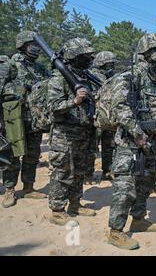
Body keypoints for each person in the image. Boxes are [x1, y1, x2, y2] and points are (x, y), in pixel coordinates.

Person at [107, 33, 156, 250]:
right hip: (131, 144)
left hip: (153, 143)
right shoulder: (130, 77)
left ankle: (138, 219)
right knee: (125, 187)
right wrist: (138, 135)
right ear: (146, 53)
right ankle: (116, 231)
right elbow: (120, 108)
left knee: (146, 183)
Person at [47, 38, 98, 225]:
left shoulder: (85, 76)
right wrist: (74, 102)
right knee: (62, 170)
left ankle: (75, 203)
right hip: (64, 134)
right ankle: (57, 209)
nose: (88, 60)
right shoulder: (58, 78)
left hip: (84, 131)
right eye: (84, 56)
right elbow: (52, 106)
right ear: (73, 56)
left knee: (79, 170)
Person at [1, 31, 50, 208]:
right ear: (22, 45)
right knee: (12, 156)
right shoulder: (9, 65)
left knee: (32, 154)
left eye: (37, 45)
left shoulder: (40, 68)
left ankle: (28, 187)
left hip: (34, 120)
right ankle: (9, 189)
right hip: (13, 120)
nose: (36, 48)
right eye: (32, 44)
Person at [88, 51, 119, 182]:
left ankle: (107, 171)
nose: (111, 66)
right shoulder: (92, 75)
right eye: (108, 64)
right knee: (91, 146)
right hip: (95, 115)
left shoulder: (111, 77)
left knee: (109, 145)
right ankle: (87, 173)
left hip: (108, 116)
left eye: (112, 64)